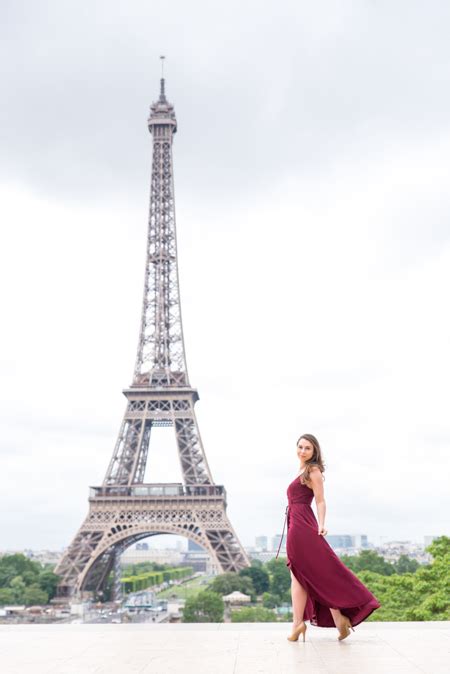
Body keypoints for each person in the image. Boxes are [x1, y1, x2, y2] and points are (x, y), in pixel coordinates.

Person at [285, 433, 381, 642]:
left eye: (307, 448)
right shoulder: (302, 469)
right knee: (301, 575)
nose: (302, 451)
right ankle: (333, 619)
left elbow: (320, 501)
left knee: (308, 574)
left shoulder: (313, 471)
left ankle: (301, 623)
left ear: (314, 451)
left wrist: (321, 524)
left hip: (302, 527)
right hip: (295, 523)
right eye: (300, 447)